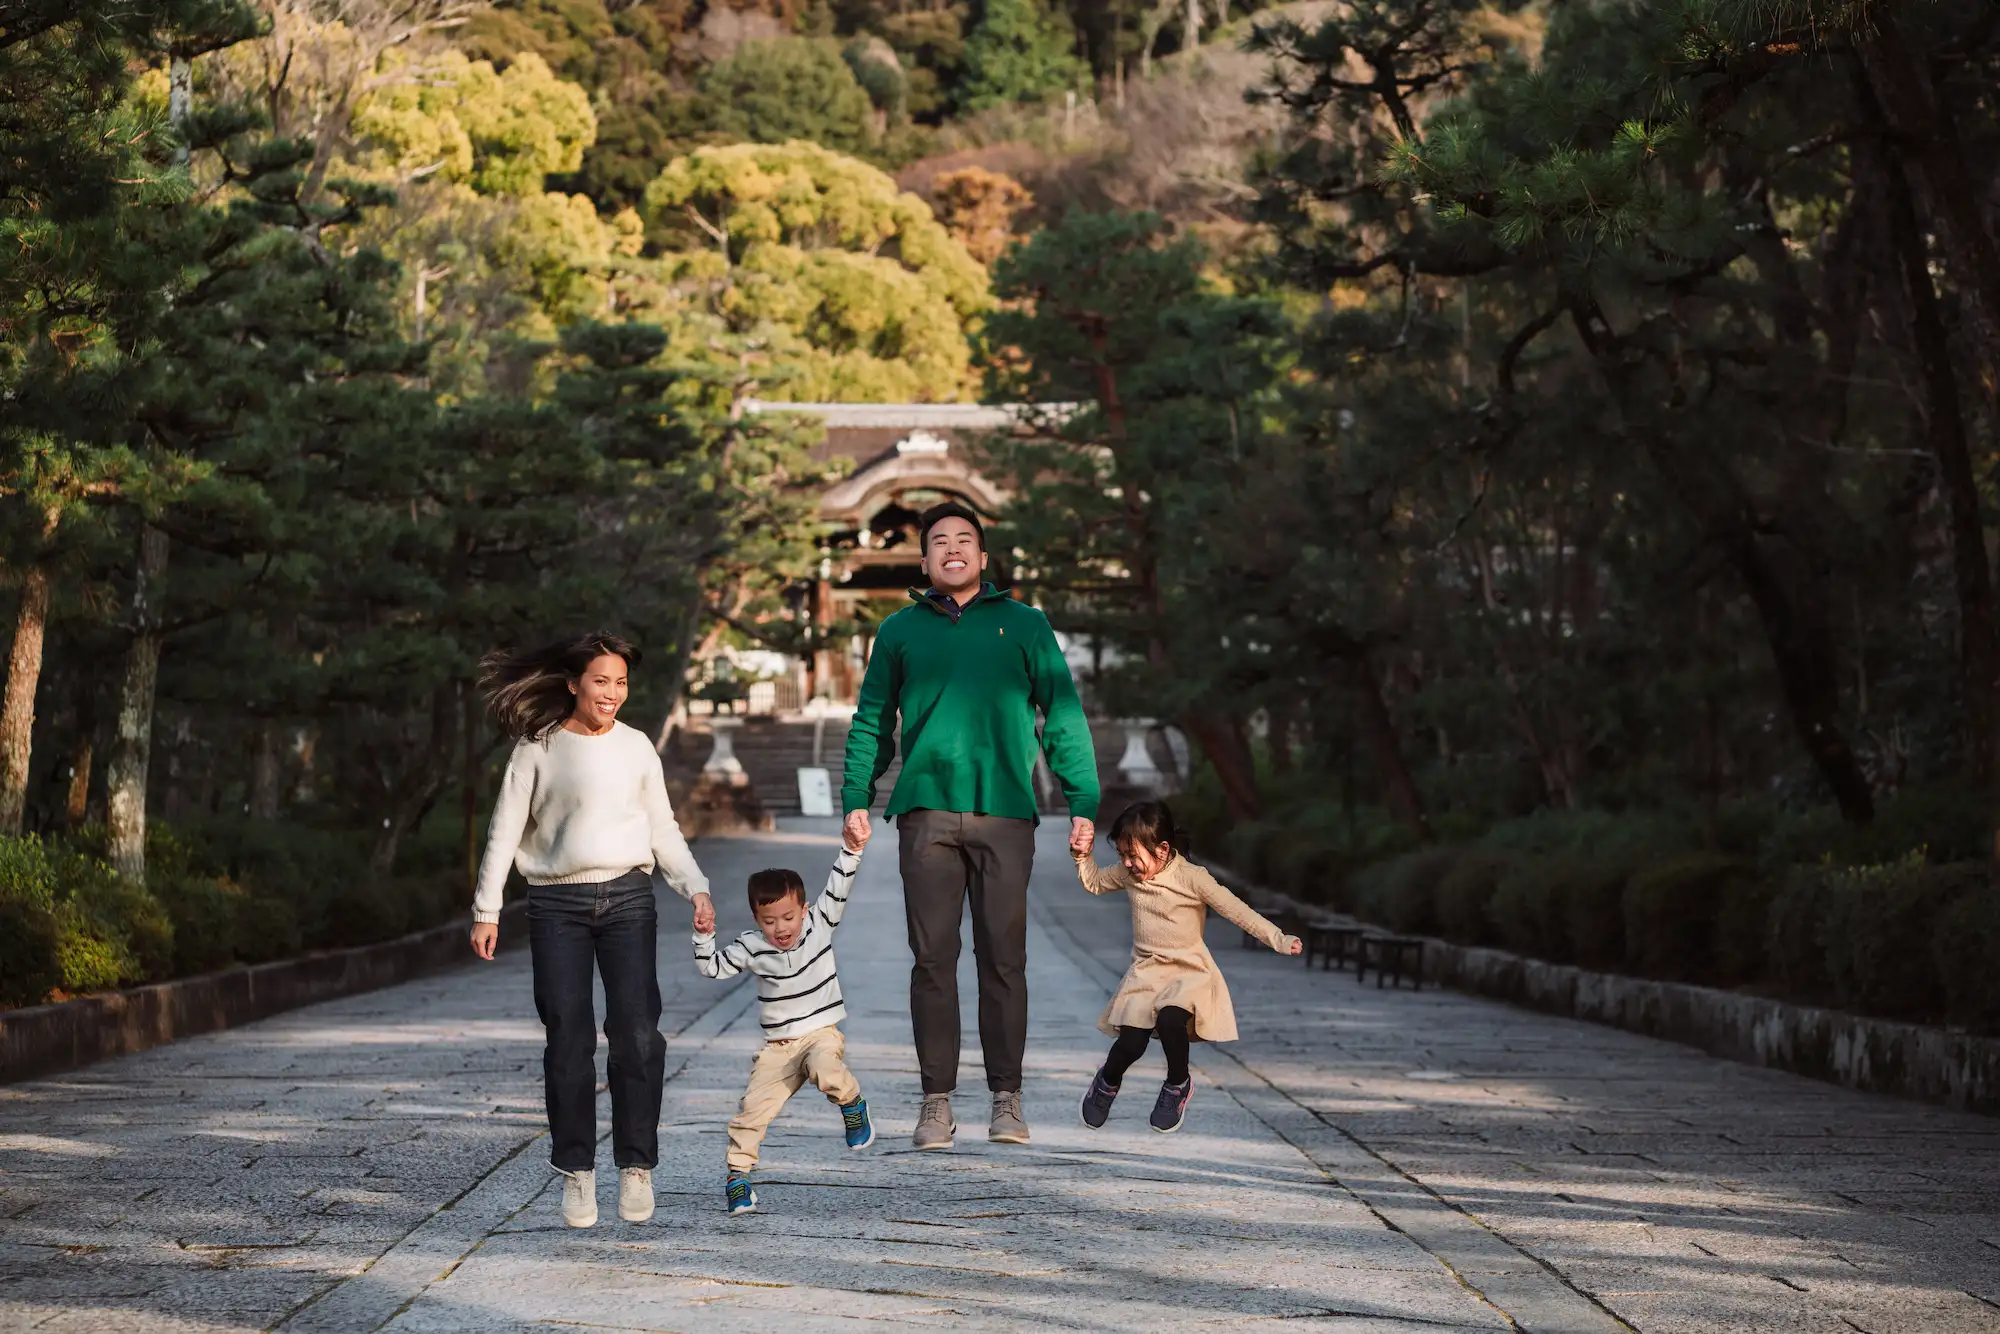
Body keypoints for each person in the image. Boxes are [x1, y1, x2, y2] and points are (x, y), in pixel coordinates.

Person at [841, 500, 1099, 1151]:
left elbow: (1062, 715)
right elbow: (872, 718)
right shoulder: (899, 630)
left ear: (984, 557)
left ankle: (1006, 1097)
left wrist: (1084, 799)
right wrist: (855, 796)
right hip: (925, 810)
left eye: (965, 540)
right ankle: (936, 1103)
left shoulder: (1028, 626)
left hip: (1006, 812)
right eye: (939, 542)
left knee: (1003, 959)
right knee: (932, 960)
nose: (952, 549)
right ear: (924, 560)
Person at [468, 632, 714, 1230]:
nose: (612, 693)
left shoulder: (637, 748)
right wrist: (487, 908)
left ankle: (636, 1166)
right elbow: (504, 830)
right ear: (574, 683)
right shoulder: (537, 748)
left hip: (630, 899)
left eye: (621, 682)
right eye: (601, 681)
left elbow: (663, 826)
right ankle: (577, 1172)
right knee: (569, 1039)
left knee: (637, 1034)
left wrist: (695, 885)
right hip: (556, 906)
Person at [1072, 800, 1301, 1133]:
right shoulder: (1127, 874)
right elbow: (1093, 881)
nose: (1127, 863)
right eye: (1122, 855)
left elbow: (1236, 910)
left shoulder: (1194, 878)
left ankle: (1177, 1084)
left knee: (1171, 1020)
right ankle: (1107, 1081)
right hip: (1147, 971)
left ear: (1163, 849)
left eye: (1133, 855)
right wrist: (1082, 855)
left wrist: (1278, 939)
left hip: (1188, 971)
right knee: (1131, 1042)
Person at [693, 825, 874, 1215]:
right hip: (779, 1048)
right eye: (769, 920)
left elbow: (840, 884)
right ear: (756, 919)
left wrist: (851, 849)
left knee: (826, 1069)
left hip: (821, 1034)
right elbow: (711, 968)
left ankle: (852, 1103)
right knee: (751, 1110)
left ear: (804, 910)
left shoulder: (819, 923)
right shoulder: (750, 946)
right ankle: (738, 1178)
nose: (781, 928)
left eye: (788, 917)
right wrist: (704, 936)